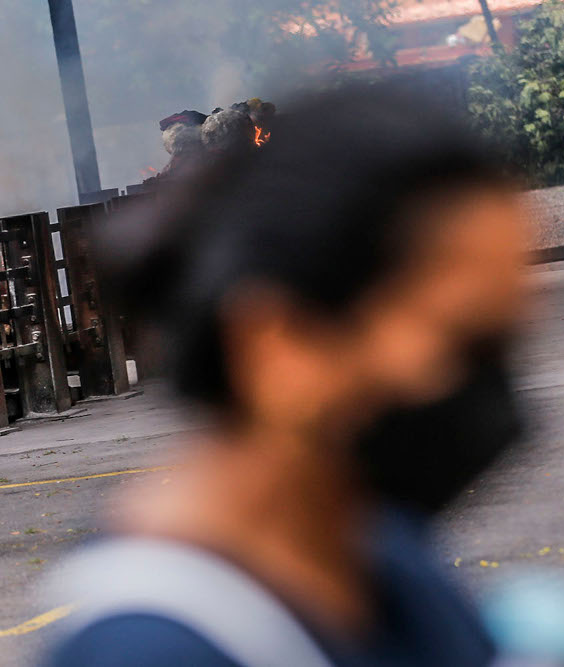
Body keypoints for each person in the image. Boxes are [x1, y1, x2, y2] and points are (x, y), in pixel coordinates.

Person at [45, 81, 529, 667]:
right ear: (280, 346)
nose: (496, 390)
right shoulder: (150, 650)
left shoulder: (377, 552)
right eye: (464, 340)